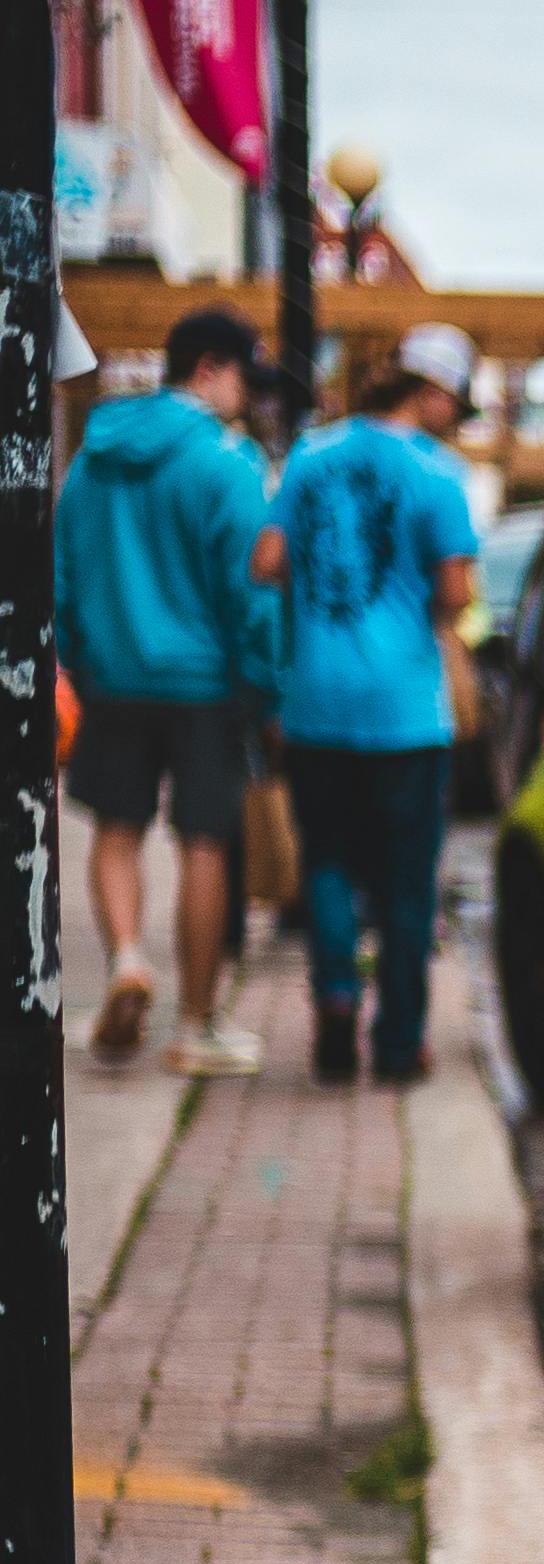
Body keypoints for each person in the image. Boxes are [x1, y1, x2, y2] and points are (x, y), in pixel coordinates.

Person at [253, 321, 481, 1089]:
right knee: (407, 883)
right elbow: (454, 594)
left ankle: (338, 998)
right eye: (456, 399)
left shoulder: (311, 455)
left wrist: (323, 600)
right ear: (433, 392)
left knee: (327, 861)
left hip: (316, 698)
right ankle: (397, 1045)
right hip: (407, 711)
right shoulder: (439, 472)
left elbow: (267, 561)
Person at [52, 299, 274, 1081]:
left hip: (113, 678)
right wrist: (263, 679)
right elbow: (251, 591)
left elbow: (63, 575)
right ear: (210, 370)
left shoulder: (91, 458)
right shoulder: (228, 461)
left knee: (118, 832)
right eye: (246, 379)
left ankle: (126, 960)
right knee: (204, 843)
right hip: (206, 686)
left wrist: (79, 659)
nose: (249, 398)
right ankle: (198, 1025)